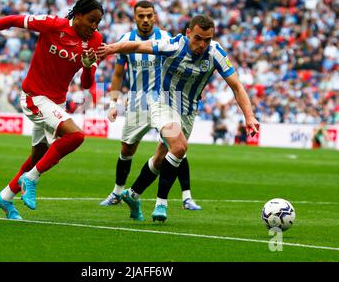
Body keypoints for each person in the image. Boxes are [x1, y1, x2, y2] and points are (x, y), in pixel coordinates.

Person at [98, 14, 259, 222]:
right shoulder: (172, 46)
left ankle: (132, 194)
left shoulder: (215, 53)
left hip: (188, 111)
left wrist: (249, 116)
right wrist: (111, 48)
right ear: (188, 33)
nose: (202, 44)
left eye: (207, 39)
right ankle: (161, 204)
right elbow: (139, 46)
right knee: (180, 147)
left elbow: (236, 85)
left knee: (160, 159)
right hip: (161, 103)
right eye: (198, 38)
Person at [0, 0, 104, 220]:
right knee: (76, 136)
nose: (94, 26)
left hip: (56, 103)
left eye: (98, 23)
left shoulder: (95, 40)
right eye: (91, 20)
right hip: (35, 96)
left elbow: (86, 84)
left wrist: (88, 66)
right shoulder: (53, 25)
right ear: (78, 15)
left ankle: (4, 197)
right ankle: (31, 179)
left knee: (39, 155)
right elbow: (12, 20)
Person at [100, 0, 201, 212]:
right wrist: (113, 103)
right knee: (127, 149)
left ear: (154, 16)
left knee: (176, 145)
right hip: (138, 103)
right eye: (141, 16)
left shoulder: (166, 39)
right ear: (134, 17)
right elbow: (118, 74)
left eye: (149, 16)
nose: (145, 20)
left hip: (164, 101)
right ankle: (118, 192)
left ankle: (187, 196)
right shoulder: (125, 40)